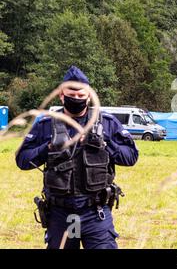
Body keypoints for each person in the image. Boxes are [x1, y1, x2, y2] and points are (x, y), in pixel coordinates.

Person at [16, 66, 139, 249]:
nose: (77, 99)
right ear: (61, 95)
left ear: (89, 95)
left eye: (81, 96)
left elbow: (131, 157)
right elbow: (23, 160)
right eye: (71, 95)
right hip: (60, 214)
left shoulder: (106, 122)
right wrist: (48, 147)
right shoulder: (46, 124)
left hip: (96, 212)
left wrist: (104, 143)